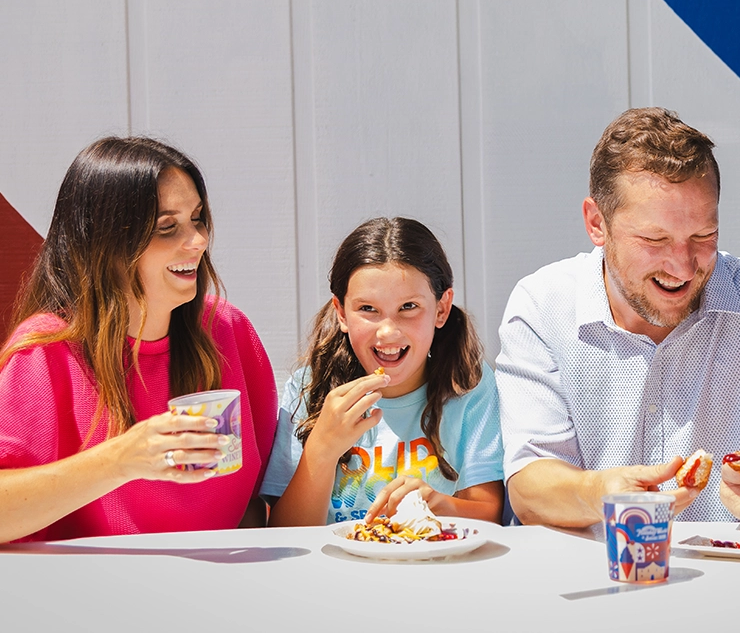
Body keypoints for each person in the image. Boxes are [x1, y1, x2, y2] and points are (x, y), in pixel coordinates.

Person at [496, 107, 740, 529]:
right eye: (655, 239)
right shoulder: (543, 306)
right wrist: (601, 493)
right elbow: (530, 489)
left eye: (704, 236)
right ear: (596, 223)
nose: (683, 265)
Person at [0, 136, 278, 543]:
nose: (198, 240)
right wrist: (121, 460)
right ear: (105, 243)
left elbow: (259, 499)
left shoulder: (229, 330)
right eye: (167, 227)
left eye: (197, 219)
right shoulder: (45, 352)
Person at [261, 217, 504, 525]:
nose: (388, 332)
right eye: (368, 309)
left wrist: (440, 504)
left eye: (408, 307)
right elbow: (284, 531)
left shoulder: (468, 385)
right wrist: (322, 448)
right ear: (341, 313)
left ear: (441, 309)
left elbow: (490, 513)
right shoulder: (308, 389)